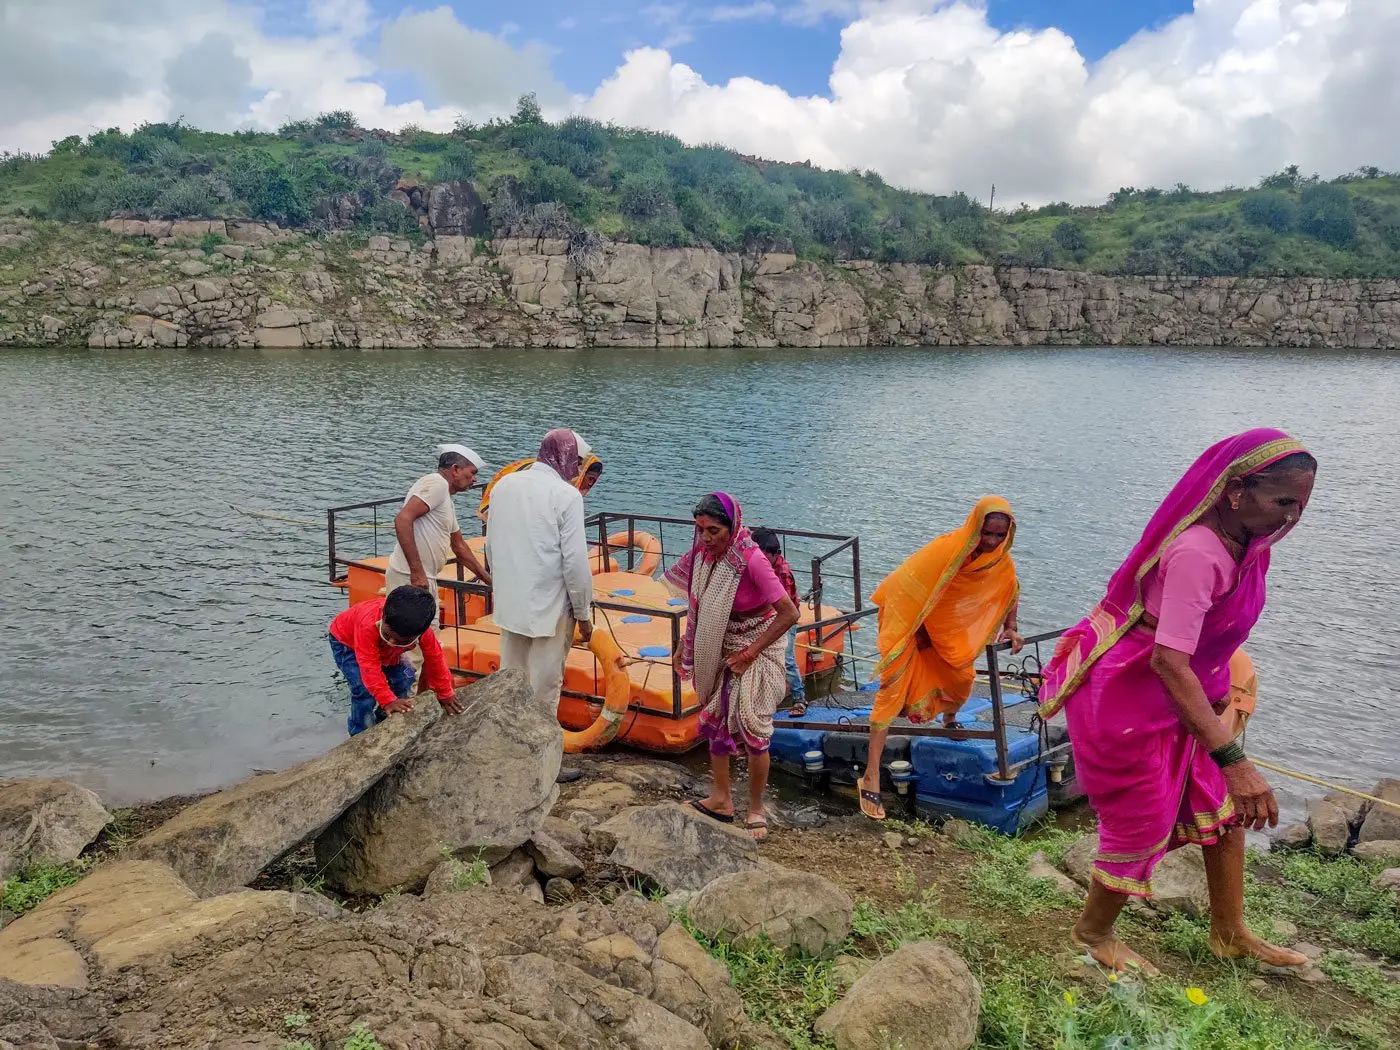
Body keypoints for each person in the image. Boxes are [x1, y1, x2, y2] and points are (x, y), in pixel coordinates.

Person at [1038, 429, 1316, 975]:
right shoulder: (1197, 553)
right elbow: (1167, 660)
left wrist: (1219, 719)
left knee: (1225, 810)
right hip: (1130, 694)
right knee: (1144, 819)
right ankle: (1092, 934)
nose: (1291, 517)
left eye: (1302, 503)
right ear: (1236, 491)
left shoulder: (1250, 547)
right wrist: (1234, 759)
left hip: (1186, 693)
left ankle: (1230, 933)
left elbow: (1208, 641)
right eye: (1282, 501)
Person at [860, 497, 1023, 820]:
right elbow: (903, 583)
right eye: (986, 533)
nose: (991, 542)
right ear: (975, 526)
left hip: (945, 633)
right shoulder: (946, 549)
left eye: (999, 536)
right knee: (890, 695)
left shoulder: (999, 562)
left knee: (962, 680)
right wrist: (914, 627)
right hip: (911, 626)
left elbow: (1009, 589)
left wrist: (1011, 628)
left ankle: (948, 718)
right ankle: (871, 775)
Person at [666, 494, 799, 840]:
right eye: (701, 530)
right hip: (722, 642)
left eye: (714, 530)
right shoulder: (703, 556)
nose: (706, 538)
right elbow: (699, 604)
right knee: (716, 717)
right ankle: (721, 799)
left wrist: (751, 652)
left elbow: (789, 613)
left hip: (758, 642)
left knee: (753, 724)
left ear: (733, 526)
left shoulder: (751, 560)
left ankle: (755, 807)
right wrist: (685, 644)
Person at [484, 428, 595, 715]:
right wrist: (583, 614)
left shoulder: (504, 486)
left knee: (509, 683)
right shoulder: (567, 496)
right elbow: (575, 563)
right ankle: (540, 754)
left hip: (510, 603)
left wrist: (501, 586)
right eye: (579, 462)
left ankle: (506, 743)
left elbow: (491, 547)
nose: (578, 470)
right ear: (568, 456)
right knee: (545, 691)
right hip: (551, 608)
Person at [329, 585, 464, 736]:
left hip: (387, 651)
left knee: (405, 679)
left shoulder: (424, 633)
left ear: (419, 634)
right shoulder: (367, 625)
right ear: (384, 617)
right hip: (348, 643)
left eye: (399, 640)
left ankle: (386, 716)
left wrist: (445, 692)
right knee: (363, 689)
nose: (391, 641)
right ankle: (360, 731)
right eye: (387, 635)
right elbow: (369, 667)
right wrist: (387, 699)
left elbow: (436, 659)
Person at [386, 444, 493, 596]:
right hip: (410, 577)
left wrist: (490, 582)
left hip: (425, 578)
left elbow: (459, 546)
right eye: (472, 473)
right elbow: (402, 519)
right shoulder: (437, 483)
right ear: (455, 469)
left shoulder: (446, 500)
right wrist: (416, 571)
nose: (475, 479)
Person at [477, 431, 602, 523]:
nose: (591, 484)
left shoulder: (561, 485)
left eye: (594, 481)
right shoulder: (563, 491)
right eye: (590, 479)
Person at [751, 528, 808, 717]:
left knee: (787, 658)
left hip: (786, 619)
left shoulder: (781, 572)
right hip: (769, 617)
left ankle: (800, 698)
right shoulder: (762, 566)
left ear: (776, 554)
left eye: (765, 557)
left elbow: (784, 606)